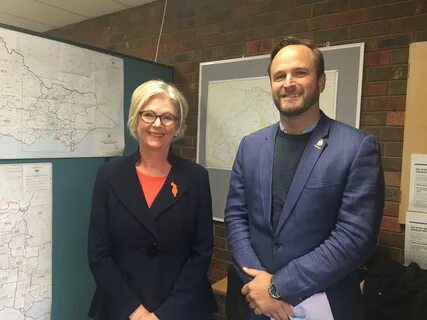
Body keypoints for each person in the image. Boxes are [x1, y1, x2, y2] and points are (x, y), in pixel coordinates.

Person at [224, 36, 385, 320]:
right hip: (255, 304)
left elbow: (354, 237)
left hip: (323, 303)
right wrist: (258, 286)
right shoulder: (250, 145)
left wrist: (277, 287)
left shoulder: (357, 147)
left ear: (320, 82)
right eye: (279, 75)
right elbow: (236, 218)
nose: (288, 83)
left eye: (300, 72)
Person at [87, 79, 217, 320]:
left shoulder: (196, 178)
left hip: (183, 309)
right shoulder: (108, 176)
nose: (158, 124)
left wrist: (164, 314)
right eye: (149, 115)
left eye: (167, 117)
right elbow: (98, 253)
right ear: (135, 120)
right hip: (121, 309)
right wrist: (136, 312)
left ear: (177, 127)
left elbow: (201, 253)